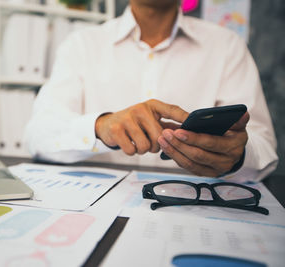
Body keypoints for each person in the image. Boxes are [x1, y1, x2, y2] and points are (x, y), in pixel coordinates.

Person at [23, 0, 278, 182]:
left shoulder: (227, 46)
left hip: (196, 205)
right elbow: (38, 136)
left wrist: (237, 155)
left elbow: (264, 149)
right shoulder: (80, 44)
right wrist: (102, 127)